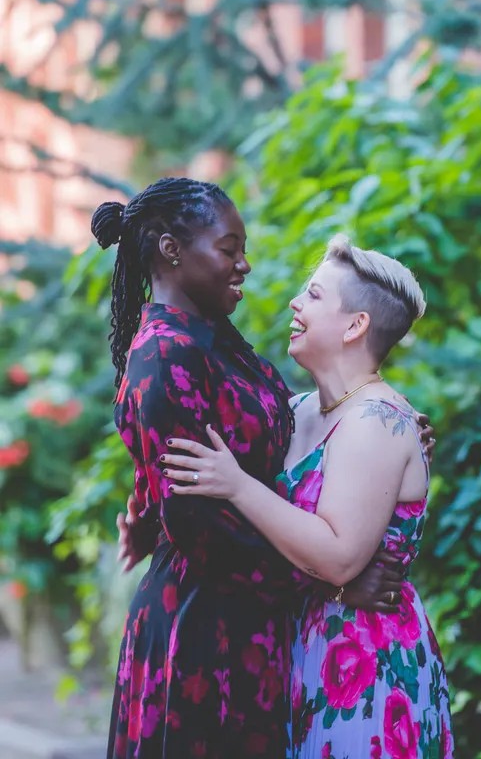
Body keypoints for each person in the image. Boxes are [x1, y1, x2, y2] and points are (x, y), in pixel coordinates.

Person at [94, 179, 408, 759]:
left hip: (253, 617)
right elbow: (200, 525)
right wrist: (333, 584)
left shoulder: (214, 338)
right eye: (229, 247)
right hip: (203, 631)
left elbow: (267, 438)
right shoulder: (165, 355)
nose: (244, 263)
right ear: (171, 250)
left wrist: (387, 427)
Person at [163, 233, 454, 759]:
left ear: (355, 325)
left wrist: (237, 484)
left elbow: (340, 558)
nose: (296, 304)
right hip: (293, 649)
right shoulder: (296, 411)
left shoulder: (377, 422)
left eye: (315, 295)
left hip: (363, 665)